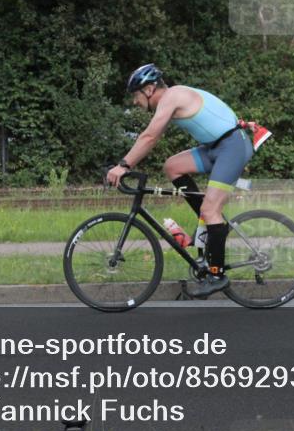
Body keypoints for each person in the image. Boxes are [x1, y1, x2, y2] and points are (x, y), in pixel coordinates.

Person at [106, 63, 254, 297]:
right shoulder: (171, 98)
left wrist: (123, 165)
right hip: (215, 147)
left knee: (211, 210)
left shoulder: (172, 97)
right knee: (172, 167)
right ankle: (208, 223)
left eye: (136, 95)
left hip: (231, 147)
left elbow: (150, 136)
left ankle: (217, 275)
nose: (135, 101)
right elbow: (151, 137)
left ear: (149, 89)